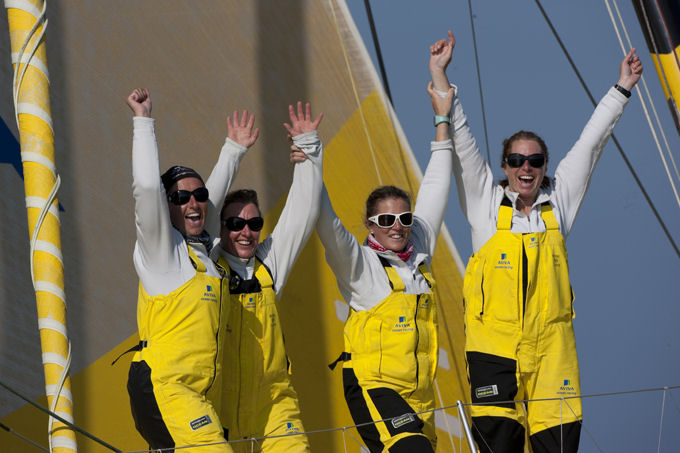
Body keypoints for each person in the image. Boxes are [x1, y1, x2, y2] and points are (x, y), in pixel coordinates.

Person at [442, 38, 643, 452]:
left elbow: (591, 144)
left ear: (545, 166)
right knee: (499, 444)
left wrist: (622, 88)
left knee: (559, 443)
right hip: (494, 348)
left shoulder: (559, 202)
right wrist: (441, 76)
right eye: (516, 161)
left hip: (554, 350)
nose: (526, 168)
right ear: (504, 167)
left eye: (534, 161)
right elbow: (462, 143)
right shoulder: (485, 203)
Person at [306, 35, 456, 453]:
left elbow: (436, 185)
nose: (398, 226)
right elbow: (326, 222)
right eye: (386, 220)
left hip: (420, 396)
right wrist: (309, 155)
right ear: (371, 226)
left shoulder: (419, 247)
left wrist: (442, 112)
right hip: (374, 386)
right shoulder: (362, 265)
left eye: (404, 218)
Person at [125, 87, 258, 452]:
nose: (193, 203)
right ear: (166, 208)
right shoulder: (161, 250)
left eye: (198, 196)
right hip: (164, 387)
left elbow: (207, 205)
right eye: (180, 198)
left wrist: (233, 151)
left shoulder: (203, 253)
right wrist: (143, 121)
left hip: (198, 394)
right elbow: (148, 189)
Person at [210, 102, 323, 452]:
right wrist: (233, 152)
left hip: (273, 403)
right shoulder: (205, 263)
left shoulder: (269, 264)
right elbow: (203, 208)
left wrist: (309, 148)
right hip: (217, 404)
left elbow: (302, 211)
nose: (246, 232)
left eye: (255, 224)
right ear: (220, 228)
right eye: (235, 224)